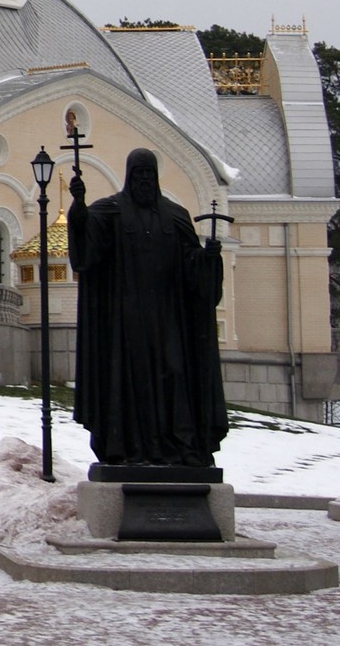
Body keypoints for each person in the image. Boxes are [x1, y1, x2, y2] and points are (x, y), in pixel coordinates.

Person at [66, 149, 228, 467]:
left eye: (148, 174)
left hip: (169, 318)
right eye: (138, 174)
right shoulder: (110, 212)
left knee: (176, 374)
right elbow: (87, 254)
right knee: (130, 380)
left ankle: (181, 446)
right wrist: (79, 210)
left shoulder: (176, 216)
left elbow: (192, 268)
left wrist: (209, 259)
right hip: (126, 320)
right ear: (129, 176)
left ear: (155, 177)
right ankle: (132, 448)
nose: (143, 180)